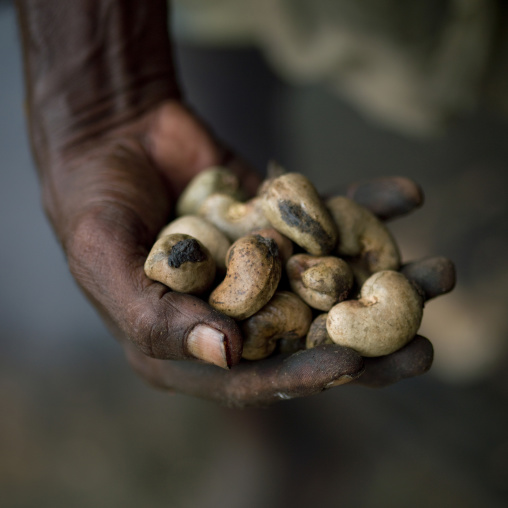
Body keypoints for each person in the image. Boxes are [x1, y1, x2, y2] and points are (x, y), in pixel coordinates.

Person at [14, 0, 454, 407]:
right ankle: (281, 446)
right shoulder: (235, 241)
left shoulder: (274, 250)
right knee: (220, 81)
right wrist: (100, 100)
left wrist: (102, 106)